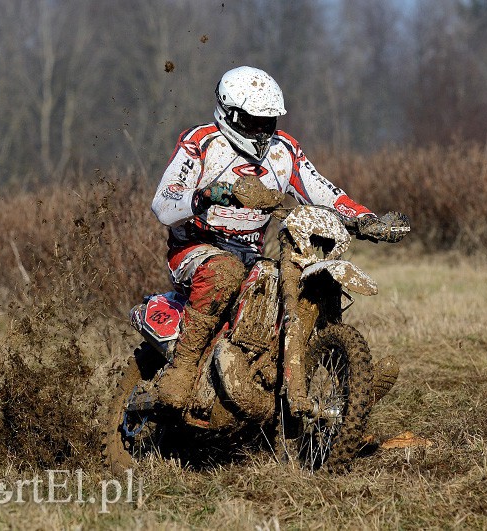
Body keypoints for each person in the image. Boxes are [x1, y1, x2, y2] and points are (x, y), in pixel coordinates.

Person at [151, 66, 405, 409]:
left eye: (267, 122)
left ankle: (346, 386)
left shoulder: (284, 150)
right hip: (195, 249)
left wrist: (365, 218)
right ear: (229, 113)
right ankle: (181, 369)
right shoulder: (201, 143)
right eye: (252, 121)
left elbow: (322, 190)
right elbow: (164, 202)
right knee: (224, 272)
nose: (260, 131)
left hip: (251, 254)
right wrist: (207, 194)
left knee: (301, 287)